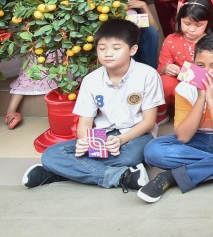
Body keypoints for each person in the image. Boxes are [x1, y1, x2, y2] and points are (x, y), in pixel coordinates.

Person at [23, 20, 161, 192]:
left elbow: (148, 122)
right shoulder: (91, 80)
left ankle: (59, 173)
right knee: (50, 155)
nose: (108, 54)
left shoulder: (148, 75)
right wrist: (84, 141)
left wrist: (120, 140)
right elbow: (85, 122)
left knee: (131, 156)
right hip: (101, 136)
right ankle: (121, 177)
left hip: (136, 136)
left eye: (116, 48)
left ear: (132, 50)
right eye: (102, 48)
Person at [139, 35, 213, 202]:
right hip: (195, 140)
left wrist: (212, 99)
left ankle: (172, 177)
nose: (206, 72)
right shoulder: (184, 88)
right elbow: (183, 136)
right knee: (153, 150)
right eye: (200, 66)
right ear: (193, 64)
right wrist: (201, 98)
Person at [158, 0, 213, 114]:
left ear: (208, 23)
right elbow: (160, 69)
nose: (192, 29)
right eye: (187, 23)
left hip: (203, 86)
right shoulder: (171, 40)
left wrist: (185, 73)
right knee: (165, 82)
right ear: (179, 20)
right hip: (176, 85)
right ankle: (161, 112)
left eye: (198, 25)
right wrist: (166, 69)